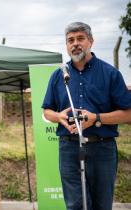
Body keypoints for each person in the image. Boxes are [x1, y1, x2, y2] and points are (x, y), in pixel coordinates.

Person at [42, 22, 131, 210]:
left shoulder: (110, 74)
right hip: (69, 148)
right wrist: (58, 117)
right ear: (66, 45)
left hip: (102, 148)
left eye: (80, 38)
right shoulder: (58, 75)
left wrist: (96, 118)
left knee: (101, 204)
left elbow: (128, 113)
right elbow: (46, 111)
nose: (75, 44)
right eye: (70, 40)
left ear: (91, 41)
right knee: (75, 205)